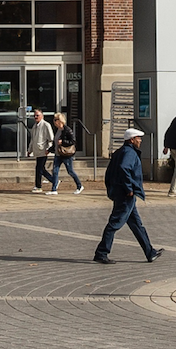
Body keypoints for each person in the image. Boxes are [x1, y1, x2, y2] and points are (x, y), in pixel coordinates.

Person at [92, 125, 161, 264]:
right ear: (131, 140)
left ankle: (150, 252)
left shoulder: (120, 152)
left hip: (120, 192)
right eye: (138, 138)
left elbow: (110, 172)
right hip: (125, 195)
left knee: (136, 224)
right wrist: (129, 188)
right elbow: (124, 168)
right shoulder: (129, 153)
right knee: (115, 223)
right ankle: (101, 252)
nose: (140, 141)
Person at [48, 113, 83, 192]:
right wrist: (49, 150)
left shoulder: (67, 130)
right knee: (55, 171)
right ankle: (53, 190)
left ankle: (79, 185)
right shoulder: (57, 130)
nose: (54, 121)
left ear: (60, 121)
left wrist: (63, 142)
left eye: (55, 120)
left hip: (66, 154)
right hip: (58, 154)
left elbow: (72, 141)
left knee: (70, 171)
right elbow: (55, 143)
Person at [29, 107, 57, 194]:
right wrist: (30, 149)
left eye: (37, 115)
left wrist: (48, 149)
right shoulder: (34, 126)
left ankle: (38, 186)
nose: (36, 117)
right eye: (34, 116)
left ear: (42, 116)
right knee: (41, 168)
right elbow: (32, 139)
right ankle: (53, 180)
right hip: (37, 150)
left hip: (43, 150)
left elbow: (51, 139)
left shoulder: (46, 125)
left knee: (39, 168)